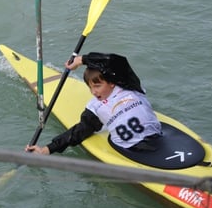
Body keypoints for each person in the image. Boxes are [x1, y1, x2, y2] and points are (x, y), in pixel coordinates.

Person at [26, 52, 162, 155]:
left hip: (156, 137)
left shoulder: (130, 86)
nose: (93, 92)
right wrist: (47, 149)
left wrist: (82, 60)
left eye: (97, 86)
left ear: (111, 82)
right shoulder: (96, 108)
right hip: (131, 150)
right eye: (90, 87)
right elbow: (78, 132)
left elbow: (117, 61)